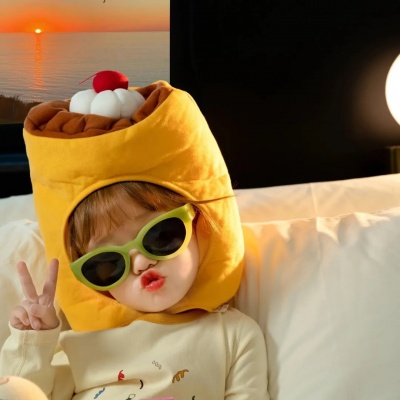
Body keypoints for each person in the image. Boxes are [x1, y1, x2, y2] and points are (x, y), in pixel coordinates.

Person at [0, 72, 269, 399]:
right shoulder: (76, 345)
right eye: (107, 264)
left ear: (200, 223)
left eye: (161, 236)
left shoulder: (234, 336)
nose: (141, 264)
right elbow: (23, 393)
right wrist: (32, 342)